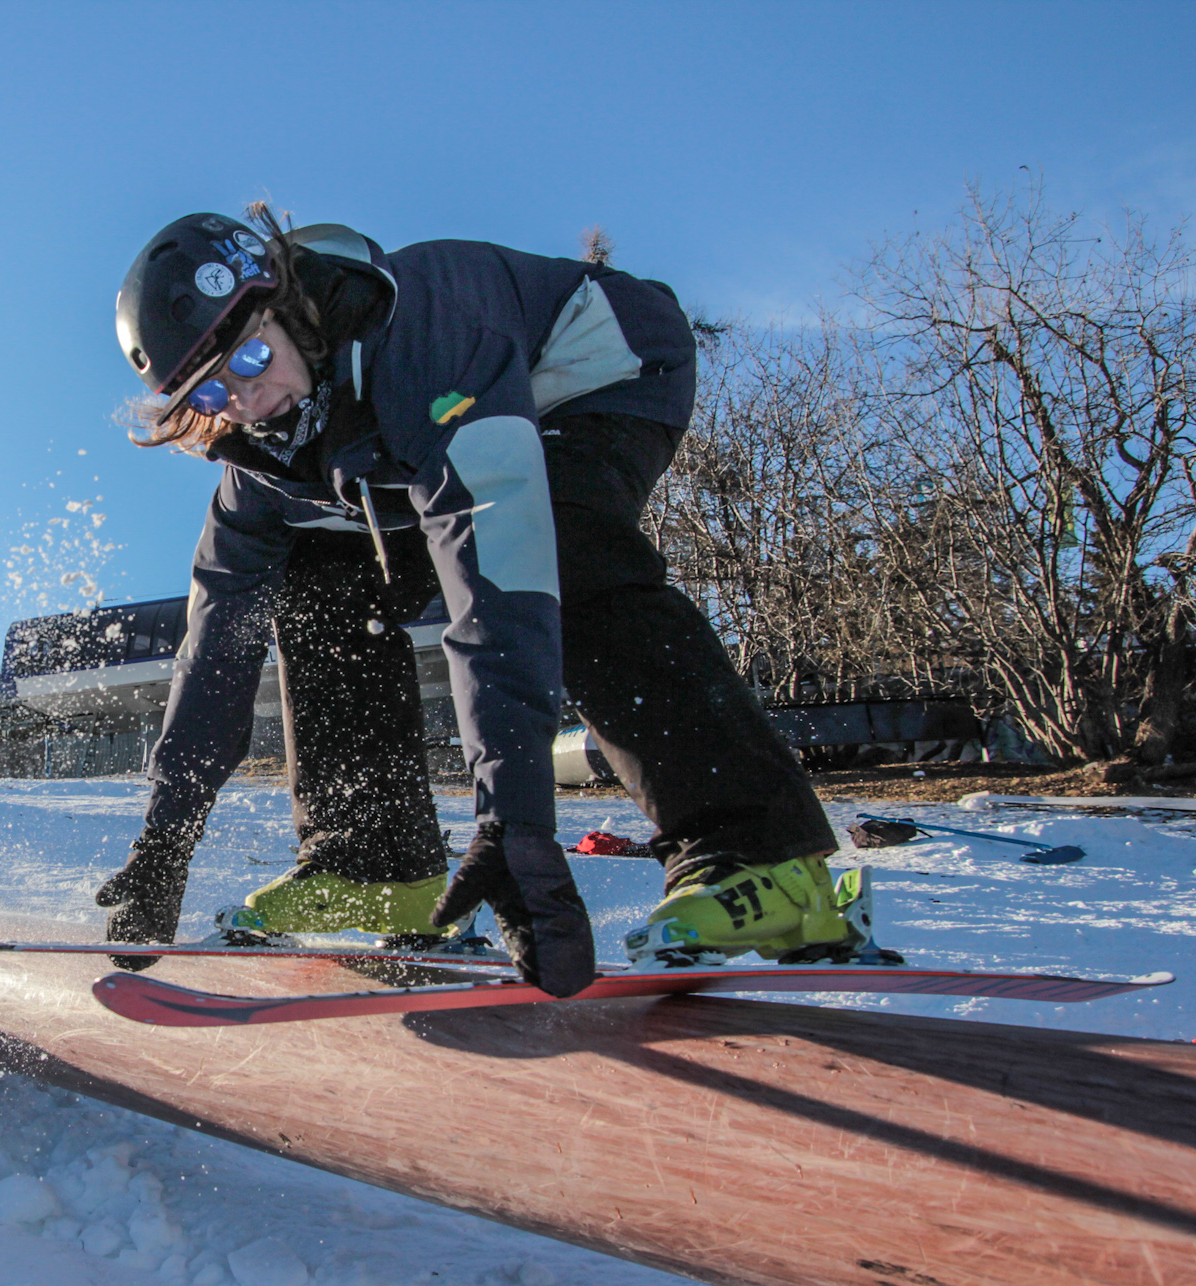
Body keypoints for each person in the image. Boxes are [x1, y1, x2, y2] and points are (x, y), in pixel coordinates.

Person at [94, 208, 849, 995]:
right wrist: (166, 836)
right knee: (321, 580)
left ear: (286, 304)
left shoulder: (424, 337)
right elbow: (215, 646)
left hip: (594, 370)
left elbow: (500, 581)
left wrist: (512, 821)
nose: (249, 399)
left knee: (560, 535)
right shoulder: (256, 473)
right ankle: (376, 860)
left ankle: (765, 856)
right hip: (417, 447)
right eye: (215, 388)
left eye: (254, 355)